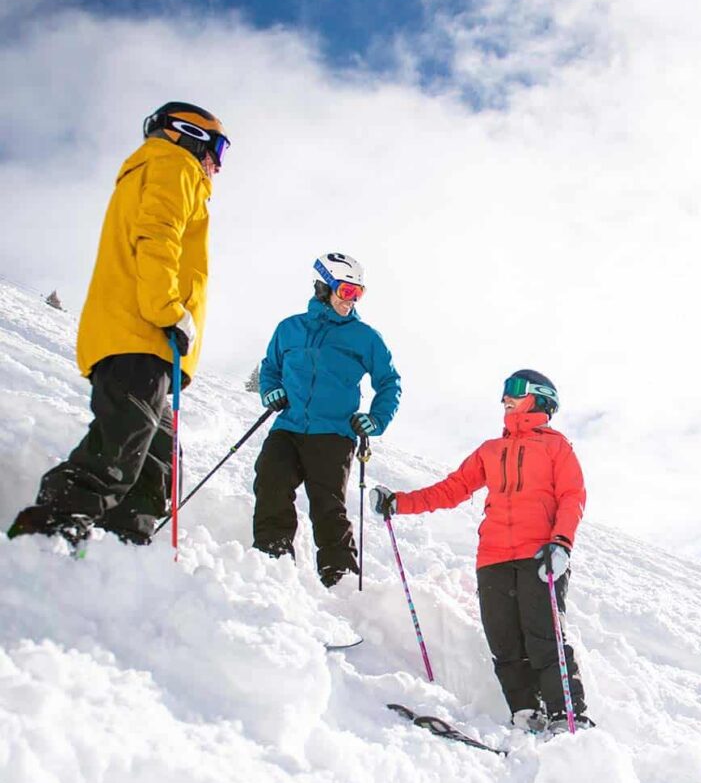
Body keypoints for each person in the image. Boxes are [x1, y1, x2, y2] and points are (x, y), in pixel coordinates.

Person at [8, 101, 230, 546]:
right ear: (187, 134)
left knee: (158, 460)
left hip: (146, 341)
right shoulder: (174, 166)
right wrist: (169, 311)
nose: (217, 165)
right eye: (218, 149)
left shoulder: (161, 170)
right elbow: (158, 238)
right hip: (141, 333)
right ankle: (49, 527)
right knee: (121, 447)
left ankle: (125, 546)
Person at [370, 369, 593, 736]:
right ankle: (525, 712)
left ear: (540, 397)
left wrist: (562, 543)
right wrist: (399, 503)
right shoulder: (492, 450)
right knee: (503, 639)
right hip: (493, 558)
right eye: (504, 391)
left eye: (516, 390)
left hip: (540, 555)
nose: (506, 397)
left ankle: (568, 718)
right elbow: (452, 489)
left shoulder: (556, 447)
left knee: (544, 636)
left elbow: (572, 496)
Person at [254, 252, 401, 587]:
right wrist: (271, 391)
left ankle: (340, 577)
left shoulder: (365, 337)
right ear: (324, 287)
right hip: (289, 426)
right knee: (269, 481)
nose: (352, 301)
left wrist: (376, 419)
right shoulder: (289, 329)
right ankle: (271, 558)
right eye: (346, 292)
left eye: (358, 294)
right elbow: (271, 368)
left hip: (333, 433)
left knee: (327, 504)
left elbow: (390, 382)